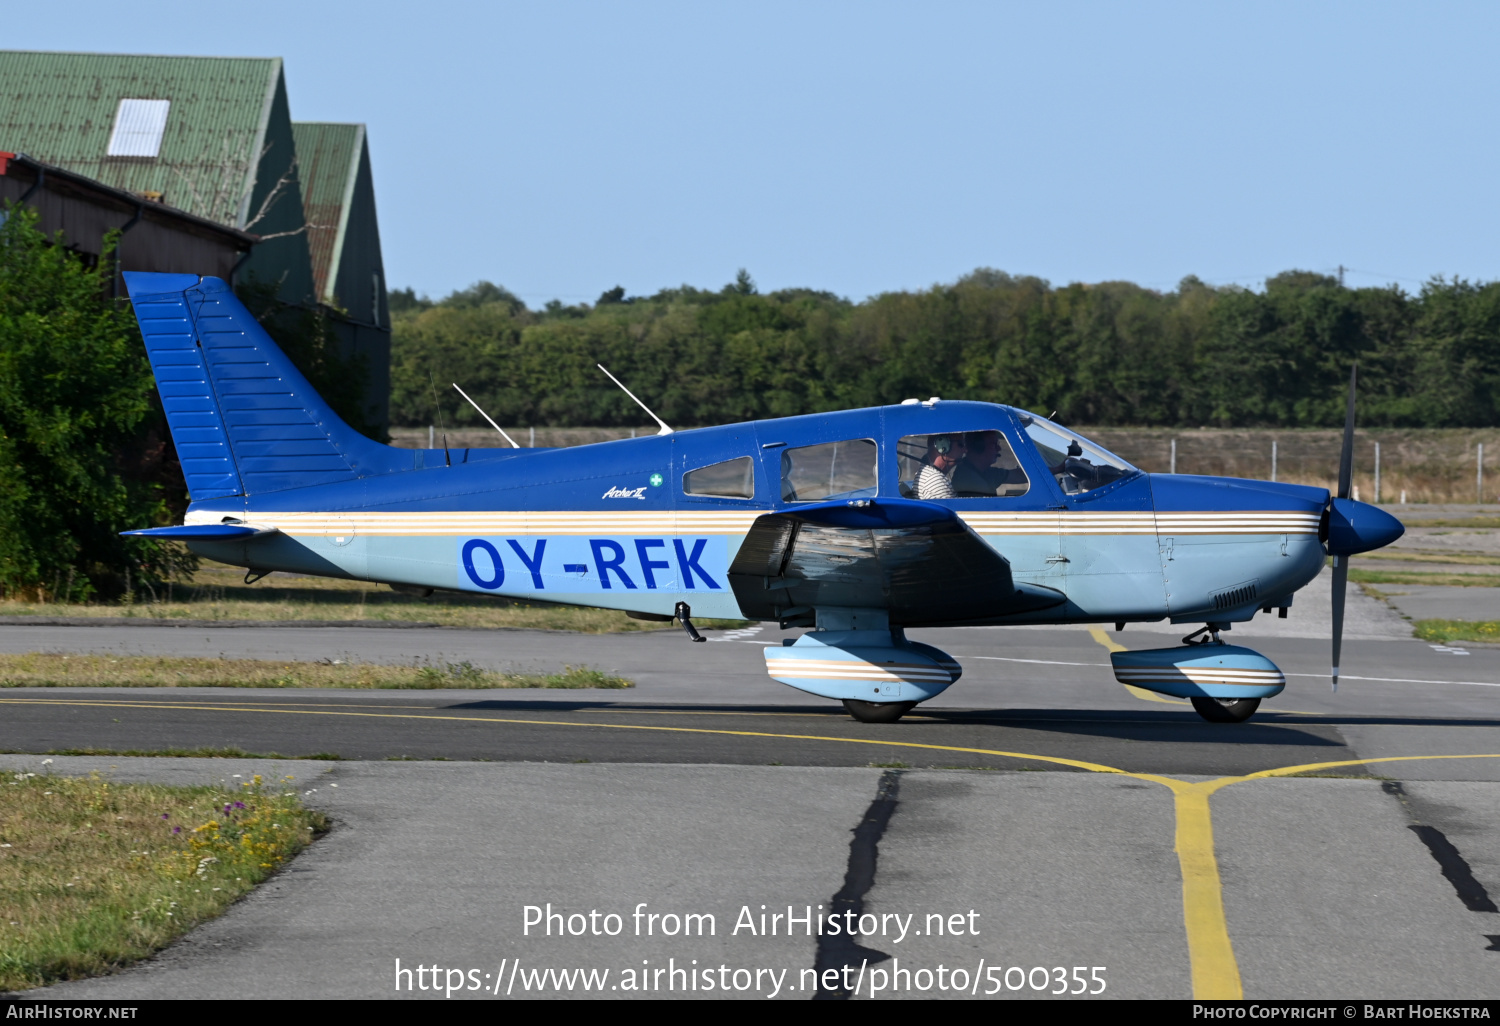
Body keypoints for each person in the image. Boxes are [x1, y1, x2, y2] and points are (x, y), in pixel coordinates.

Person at [951, 430, 1008, 496]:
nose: (999, 448)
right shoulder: (969, 480)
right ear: (978, 447)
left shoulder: (985, 471)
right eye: (993, 444)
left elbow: (1018, 475)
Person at [915, 434, 964, 499]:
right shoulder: (936, 482)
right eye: (961, 444)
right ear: (943, 445)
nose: (965, 450)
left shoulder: (928, 474)